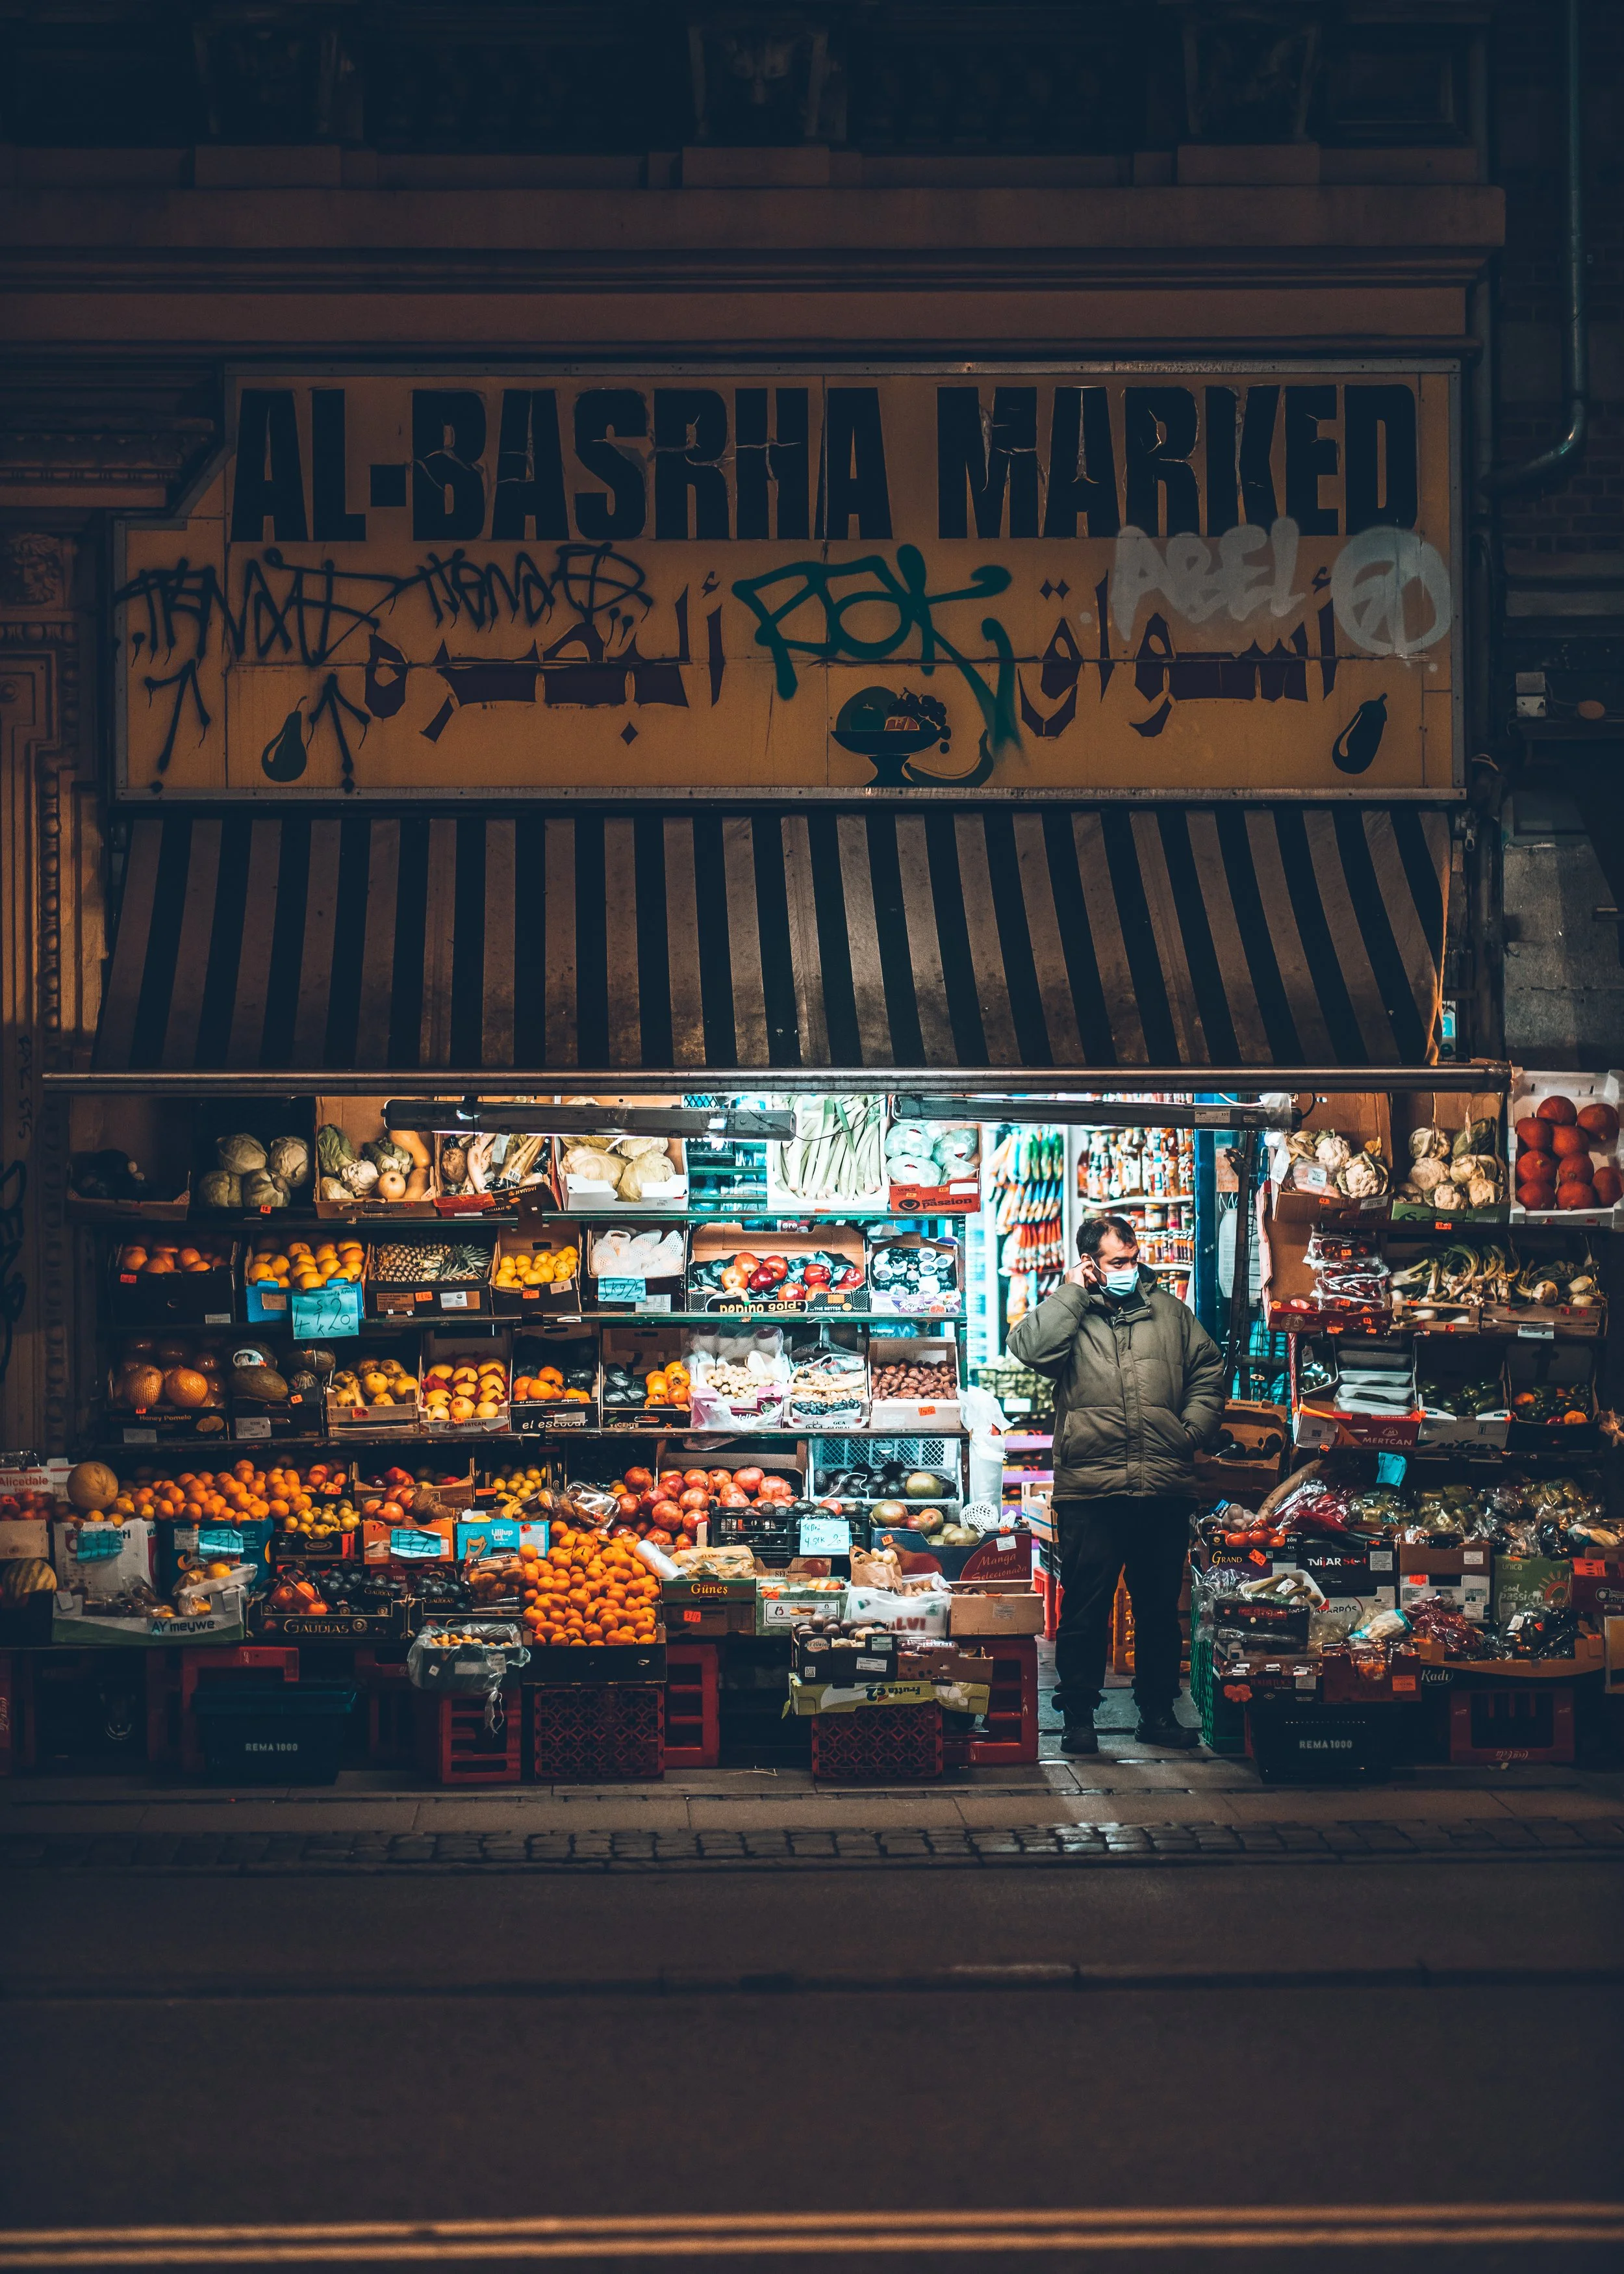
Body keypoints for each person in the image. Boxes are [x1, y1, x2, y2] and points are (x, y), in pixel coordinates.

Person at [1008, 1212, 1224, 1754]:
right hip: (1092, 1489)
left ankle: (1158, 1713)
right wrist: (1073, 1294)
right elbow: (1028, 1349)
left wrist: (1190, 1431)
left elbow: (1208, 1371)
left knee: (1157, 1611)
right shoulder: (1070, 1316)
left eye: (1133, 1259)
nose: (1130, 1270)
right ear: (1092, 1265)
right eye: (1117, 1263)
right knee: (1085, 1609)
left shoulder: (1171, 1314)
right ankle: (1079, 1717)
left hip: (1162, 1484)